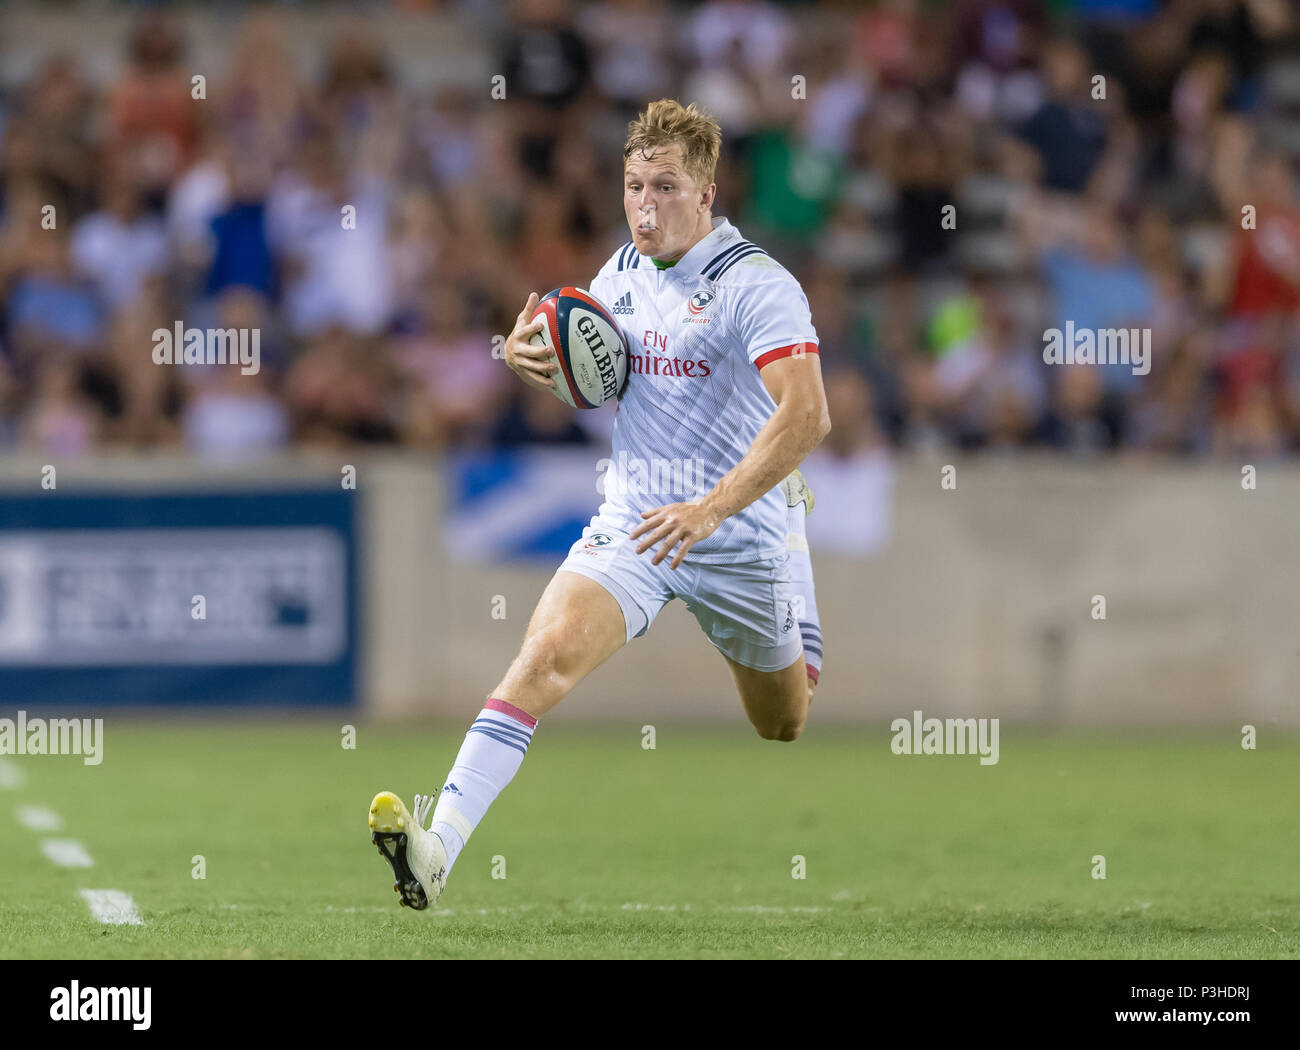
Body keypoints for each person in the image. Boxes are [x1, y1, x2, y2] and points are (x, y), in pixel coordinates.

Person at [368, 99, 830, 910]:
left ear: (708, 193)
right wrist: (522, 356)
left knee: (784, 722)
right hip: (635, 523)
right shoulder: (619, 273)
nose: (646, 206)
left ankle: (793, 549)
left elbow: (808, 415)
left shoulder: (758, 286)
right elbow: (588, 370)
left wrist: (715, 510)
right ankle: (438, 848)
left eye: (666, 187)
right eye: (633, 186)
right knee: (543, 657)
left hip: (735, 536)